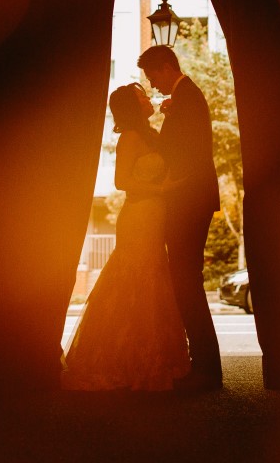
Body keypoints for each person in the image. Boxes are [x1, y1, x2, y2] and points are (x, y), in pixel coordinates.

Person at [63, 83, 191, 391]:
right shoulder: (130, 137)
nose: (148, 98)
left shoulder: (150, 134)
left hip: (155, 214)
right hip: (139, 215)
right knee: (135, 280)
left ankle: (151, 355)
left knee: (153, 278)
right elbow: (122, 180)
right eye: (142, 96)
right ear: (132, 107)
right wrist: (161, 189)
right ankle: (124, 360)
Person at [137, 44, 223, 392]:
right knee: (186, 281)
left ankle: (206, 369)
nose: (152, 84)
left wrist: (169, 183)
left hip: (188, 200)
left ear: (166, 66)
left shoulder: (187, 97)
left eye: (152, 76)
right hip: (191, 199)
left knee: (186, 281)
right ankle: (203, 365)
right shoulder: (186, 97)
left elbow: (188, 151)